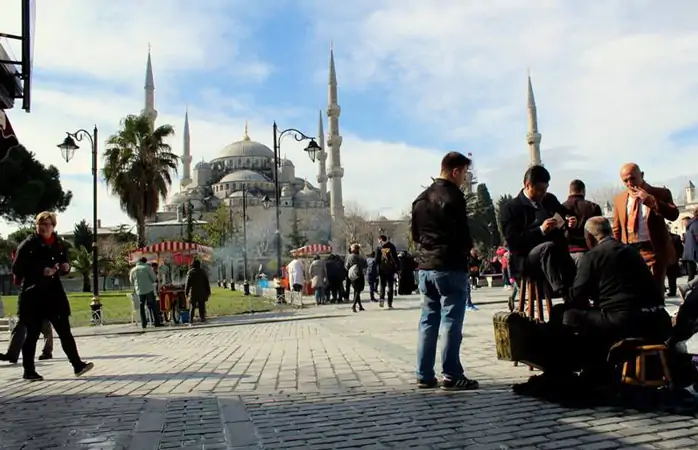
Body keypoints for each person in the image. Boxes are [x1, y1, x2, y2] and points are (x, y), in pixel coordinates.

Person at [560, 217, 671, 378]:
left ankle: (579, 368)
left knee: (571, 315)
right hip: (656, 319)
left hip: (624, 321)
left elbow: (577, 295)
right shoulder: (632, 251)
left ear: (589, 237)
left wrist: (560, 288)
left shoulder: (592, 256)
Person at [412, 151, 479, 391]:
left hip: (425, 267)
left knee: (428, 319)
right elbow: (461, 233)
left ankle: (424, 374)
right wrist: (469, 252)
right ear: (456, 171)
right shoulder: (453, 197)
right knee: (451, 318)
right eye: (464, 173)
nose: (465, 178)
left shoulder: (420, 199)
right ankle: (451, 374)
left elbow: (416, 235)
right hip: (449, 265)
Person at [12, 211, 93, 381]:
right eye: (40, 224)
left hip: (54, 295)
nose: (43, 227)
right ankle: (29, 370)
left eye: (47, 224)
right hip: (32, 294)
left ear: (53, 226)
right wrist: (41, 271)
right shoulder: (28, 244)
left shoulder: (59, 244)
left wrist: (65, 267)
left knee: (64, 331)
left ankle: (77, 365)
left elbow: (65, 261)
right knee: (32, 334)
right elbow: (17, 269)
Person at [499, 165, 577, 298]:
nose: (543, 194)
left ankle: (576, 291)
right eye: (540, 190)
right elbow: (514, 241)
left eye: (546, 189)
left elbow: (564, 214)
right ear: (528, 185)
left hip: (558, 254)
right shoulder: (511, 208)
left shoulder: (549, 200)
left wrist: (569, 220)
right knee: (547, 248)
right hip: (527, 257)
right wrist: (541, 230)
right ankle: (560, 289)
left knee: (567, 256)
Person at [612, 163, 679, 295]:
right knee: (634, 292)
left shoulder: (660, 193)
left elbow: (673, 214)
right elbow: (617, 229)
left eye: (632, 178)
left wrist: (650, 200)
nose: (629, 183)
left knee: (654, 291)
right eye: (625, 180)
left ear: (642, 175)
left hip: (653, 250)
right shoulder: (619, 200)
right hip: (630, 250)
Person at [562, 179, 602, 267]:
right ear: (583, 191)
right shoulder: (593, 208)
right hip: (588, 252)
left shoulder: (561, 208)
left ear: (569, 191)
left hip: (565, 254)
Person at [129, 257, 163, 329]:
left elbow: (131, 280)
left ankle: (143, 323)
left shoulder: (133, 270)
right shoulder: (147, 268)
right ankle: (156, 322)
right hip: (149, 289)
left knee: (142, 306)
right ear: (145, 262)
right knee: (153, 305)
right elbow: (154, 278)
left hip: (139, 290)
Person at [375, 235, 399, 308]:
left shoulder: (379, 247)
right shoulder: (391, 246)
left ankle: (382, 300)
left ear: (381, 240)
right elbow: (396, 258)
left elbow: (376, 260)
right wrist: (397, 269)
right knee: (390, 286)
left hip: (382, 269)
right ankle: (390, 303)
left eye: (378, 240)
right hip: (391, 269)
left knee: (382, 285)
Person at [345, 244, 367, 313]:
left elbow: (346, 266)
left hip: (352, 275)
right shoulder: (360, 257)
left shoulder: (349, 257)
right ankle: (354, 305)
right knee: (358, 290)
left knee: (356, 290)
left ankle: (360, 306)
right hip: (359, 274)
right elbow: (364, 264)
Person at [682, 211, 698, 283]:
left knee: (691, 275)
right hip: (694, 253)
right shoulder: (696, 224)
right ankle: (687, 288)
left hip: (689, 253)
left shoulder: (691, 225)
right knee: (691, 275)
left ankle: (687, 289)